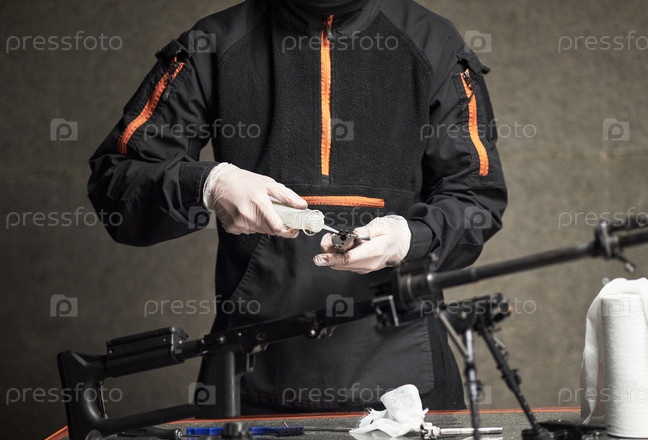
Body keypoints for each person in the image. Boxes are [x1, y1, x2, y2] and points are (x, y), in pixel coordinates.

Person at [88, 0, 507, 413]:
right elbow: (117, 183)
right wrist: (207, 184)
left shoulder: (432, 41)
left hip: (408, 379)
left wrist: (413, 238)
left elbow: (476, 196)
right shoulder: (213, 43)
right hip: (251, 372)